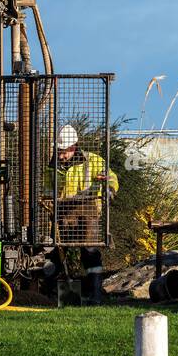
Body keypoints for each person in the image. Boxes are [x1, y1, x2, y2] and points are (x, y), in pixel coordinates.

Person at [52, 125, 118, 301]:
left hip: (88, 213)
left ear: (73, 147)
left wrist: (109, 188)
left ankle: (94, 293)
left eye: (63, 152)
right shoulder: (54, 166)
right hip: (63, 214)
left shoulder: (93, 161)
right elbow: (46, 188)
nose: (60, 155)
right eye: (58, 151)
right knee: (56, 252)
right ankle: (57, 295)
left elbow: (111, 177)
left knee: (90, 252)